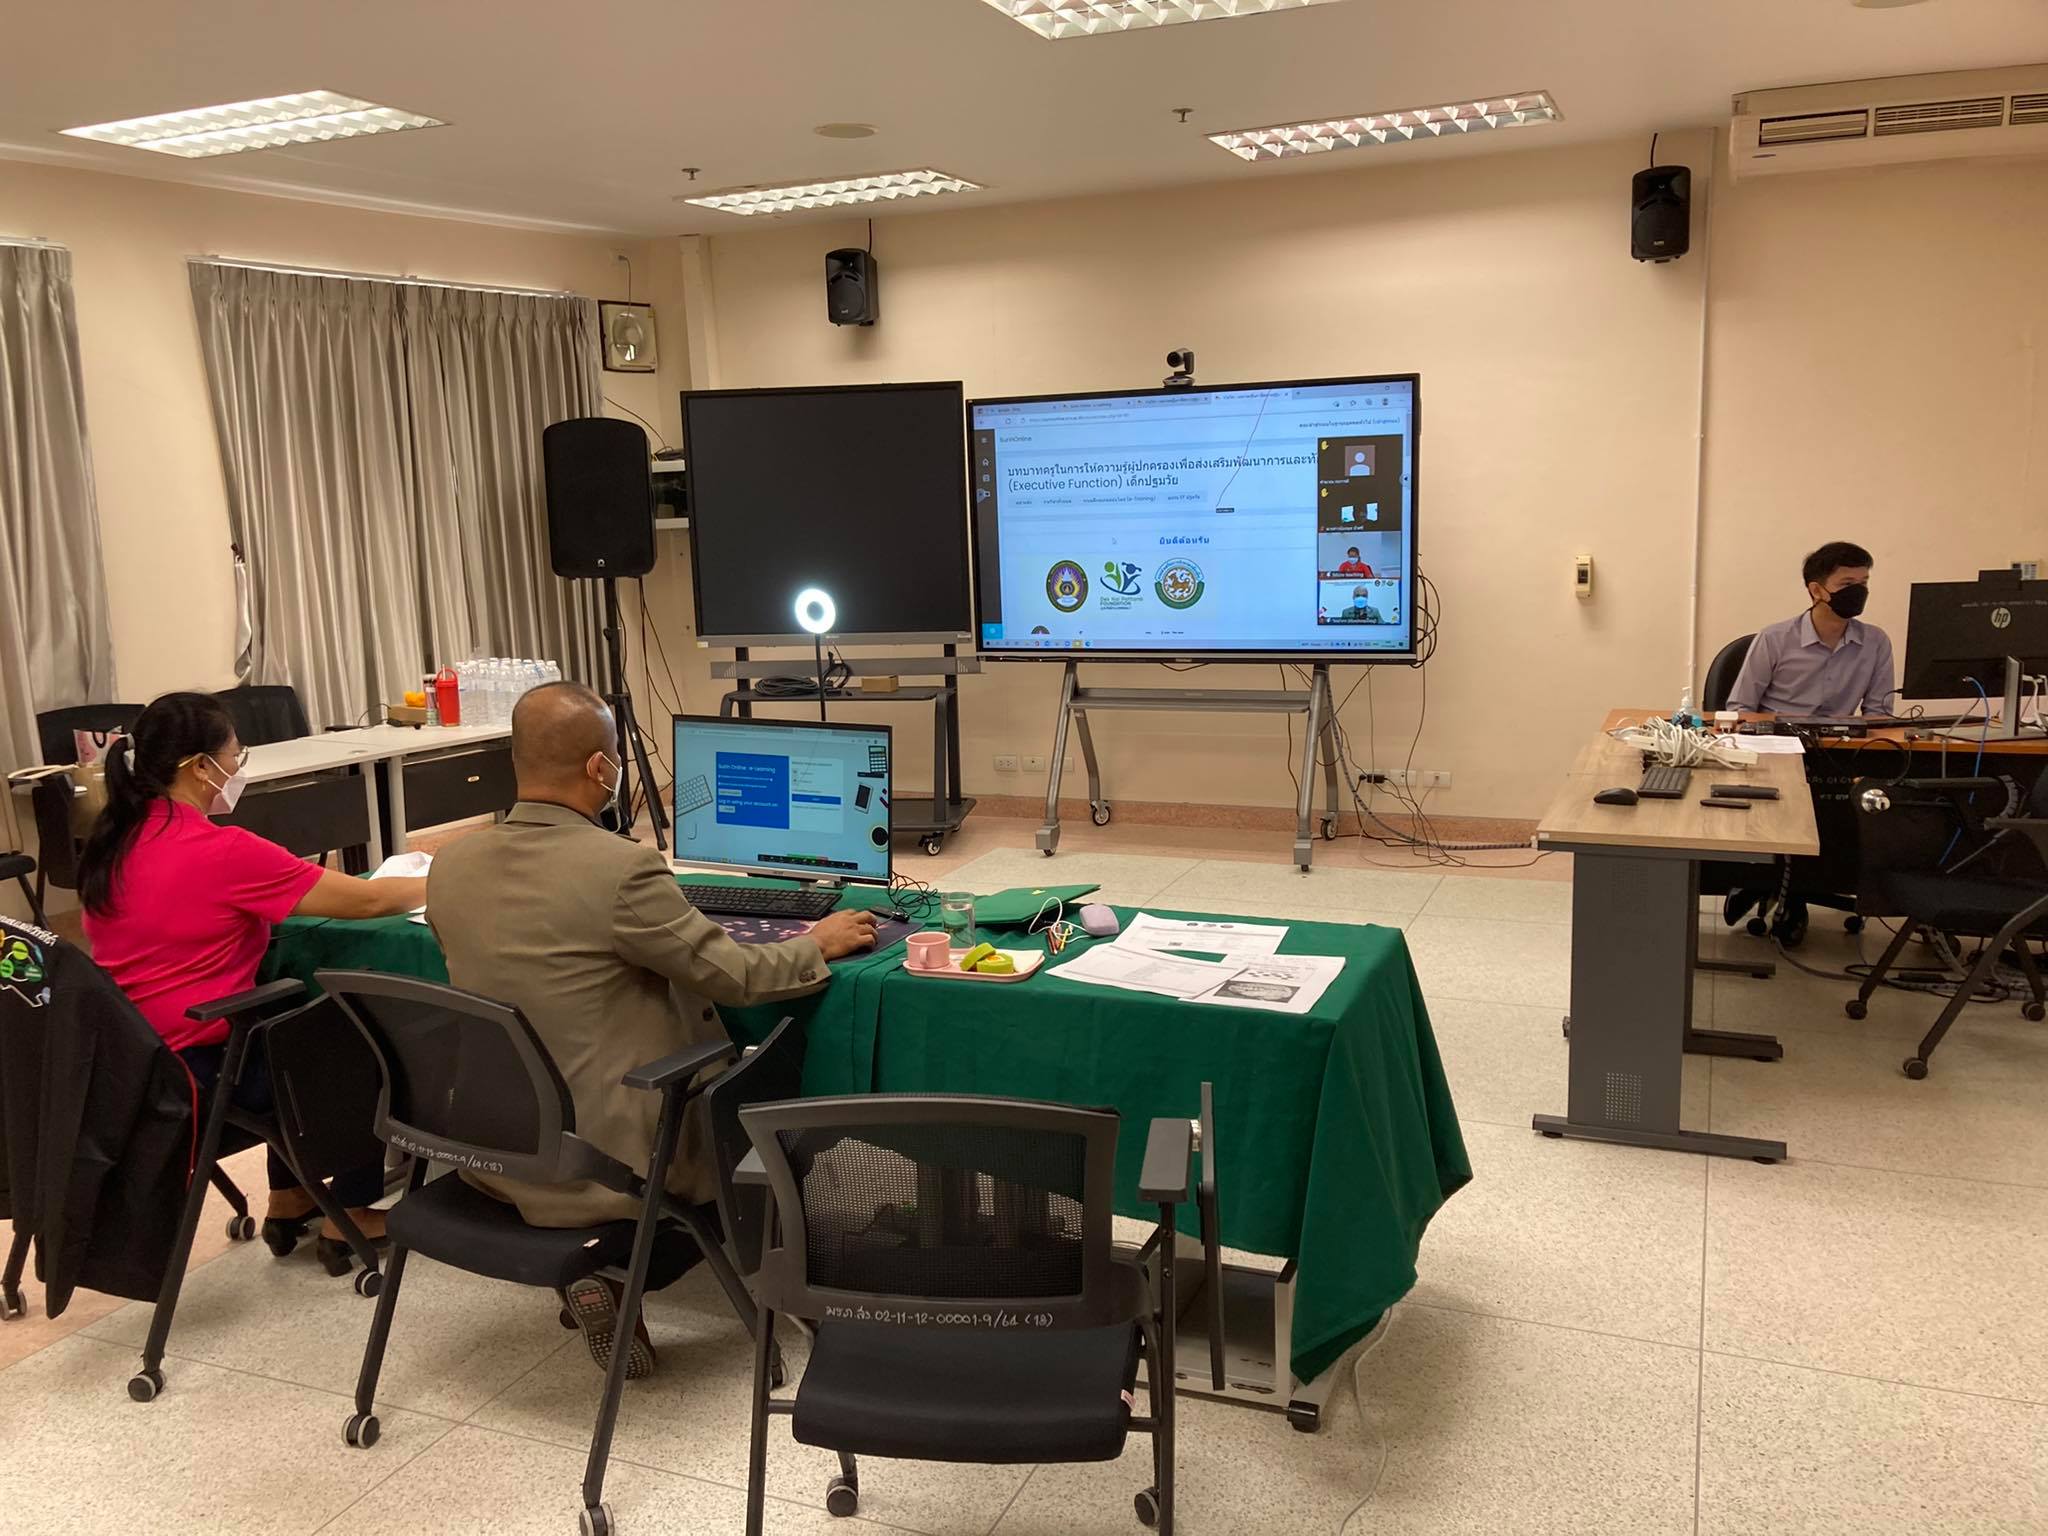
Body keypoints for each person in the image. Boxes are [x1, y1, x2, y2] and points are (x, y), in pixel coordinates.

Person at [428, 681, 877, 1378]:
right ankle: (798, 1261)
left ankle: (607, 1281)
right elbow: (736, 976)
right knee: (775, 1068)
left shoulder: (451, 864)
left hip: (499, 1151)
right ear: (600, 768)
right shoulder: (623, 868)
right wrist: (816, 942)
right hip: (618, 1162)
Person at [78, 692, 426, 1271]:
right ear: (200, 767)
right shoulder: (219, 851)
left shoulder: (113, 844)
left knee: (277, 1026)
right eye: (235, 756)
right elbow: (366, 901)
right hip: (198, 1070)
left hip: (131, 1063)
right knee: (354, 1036)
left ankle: (289, 1198)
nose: (238, 768)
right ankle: (353, 1209)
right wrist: (447, 878)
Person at [1726, 541, 1896, 717]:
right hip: (1779, 731)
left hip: (1842, 734)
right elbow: (1740, 708)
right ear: (1816, 590)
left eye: (1863, 583)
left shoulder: (1875, 641)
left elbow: (1879, 713)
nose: (1858, 592)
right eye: (1847, 584)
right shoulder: (1774, 638)